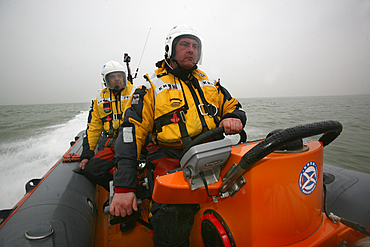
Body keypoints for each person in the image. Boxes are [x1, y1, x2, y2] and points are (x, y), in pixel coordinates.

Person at [110, 24, 247, 246]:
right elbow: (130, 133)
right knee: (170, 213)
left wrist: (234, 117)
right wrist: (125, 188)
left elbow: (234, 106)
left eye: (195, 46)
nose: (191, 50)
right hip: (170, 156)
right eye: (184, 44)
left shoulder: (209, 83)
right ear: (170, 49)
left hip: (211, 151)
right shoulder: (150, 87)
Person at [79, 60, 135, 191]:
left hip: (133, 140)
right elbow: (94, 127)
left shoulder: (136, 92)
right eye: (112, 77)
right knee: (91, 170)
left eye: (119, 76)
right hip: (112, 143)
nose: (117, 80)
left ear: (124, 77)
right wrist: (87, 153)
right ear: (106, 80)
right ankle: (115, 191)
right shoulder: (100, 99)